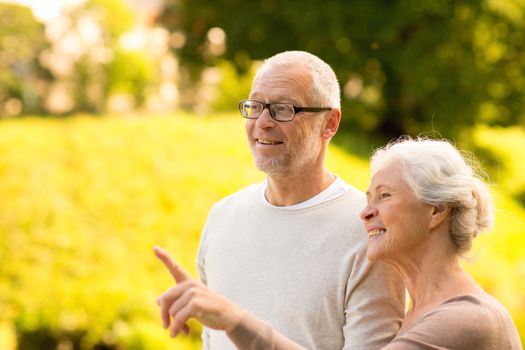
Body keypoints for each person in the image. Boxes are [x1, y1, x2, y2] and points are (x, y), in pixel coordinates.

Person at [154, 137, 523, 350]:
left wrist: (235, 320)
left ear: (436, 211)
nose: (365, 212)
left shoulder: (465, 319)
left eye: (384, 196)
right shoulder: (420, 312)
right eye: (368, 198)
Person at [156, 50, 405, 349]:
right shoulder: (222, 216)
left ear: (329, 123)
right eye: (256, 106)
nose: (262, 122)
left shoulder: (370, 230)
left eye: (283, 109)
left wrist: (236, 320)